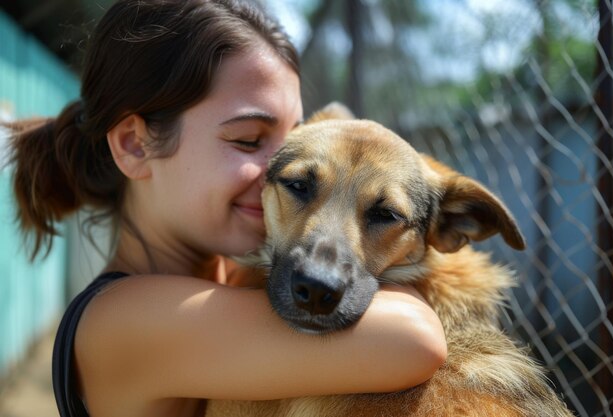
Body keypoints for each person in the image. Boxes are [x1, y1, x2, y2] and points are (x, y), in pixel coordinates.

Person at [7, 1, 447, 416]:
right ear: (135, 145)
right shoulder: (125, 320)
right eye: (249, 140)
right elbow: (415, 338)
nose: (281, 167)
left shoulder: (222, 280)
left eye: (294, 139)